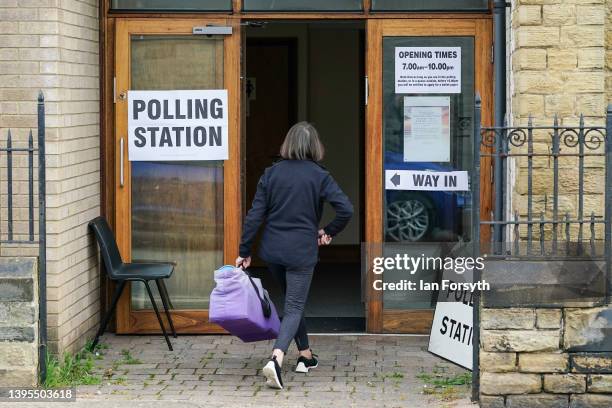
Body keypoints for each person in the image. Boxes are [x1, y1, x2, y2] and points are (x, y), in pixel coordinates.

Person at [236, 121, 353, 389]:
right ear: (315, 147)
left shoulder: (271, 174)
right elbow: (346, 209)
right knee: (294, 306)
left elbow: (255, 216)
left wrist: (244, 251)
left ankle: (305, 356)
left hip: (273, 252)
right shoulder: (320, 175)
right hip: (301, 251)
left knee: (292, 302)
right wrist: (328, 231)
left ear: (287, 145)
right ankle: (276, 359)